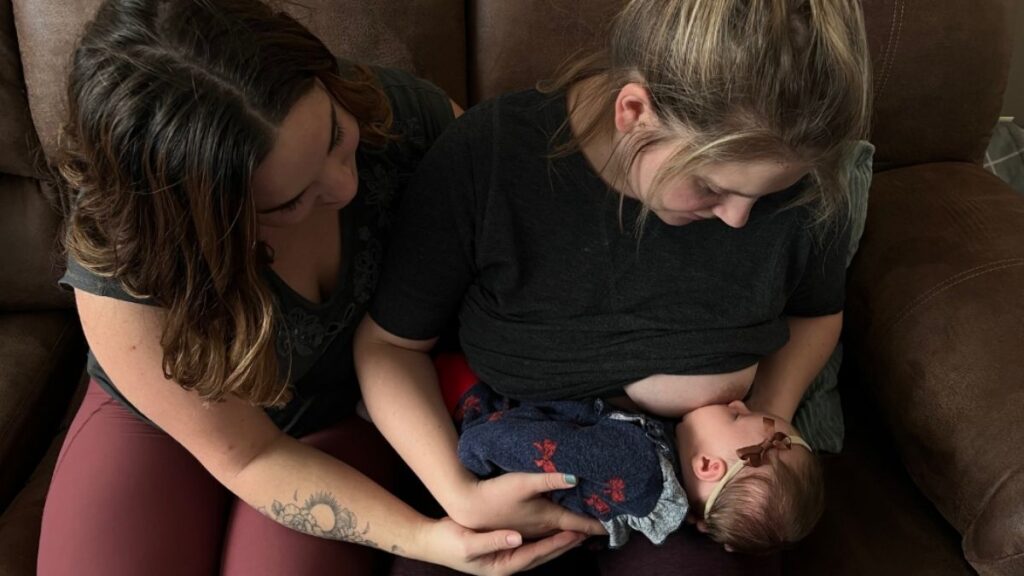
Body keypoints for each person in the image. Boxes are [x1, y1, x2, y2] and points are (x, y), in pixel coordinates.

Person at [37, 1, 599, 575]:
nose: (343, 186)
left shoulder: (399, 119)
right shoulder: (126, 255)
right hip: (172, 410)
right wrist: (429, 539)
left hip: (347, 410)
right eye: (288, 201)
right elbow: (248, 456)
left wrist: (433, 534)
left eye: (335, 136)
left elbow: (522, 247)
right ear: (198, 223)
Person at [354, 0, 871, 573]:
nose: (739, 222)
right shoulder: (491, 158)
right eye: (710, 187)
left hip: (683, 510)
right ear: (634, 112)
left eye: (768, 194)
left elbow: (816, 314)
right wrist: (460, 496)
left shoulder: (809, 188)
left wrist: (754, 449)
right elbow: (390, 347)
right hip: (500, 482)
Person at [436, 356, 820, 553]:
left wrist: (475, 448)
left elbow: (541, 447)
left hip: (483, 413)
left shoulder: (635, 462)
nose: (738, 402)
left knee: (451, 368)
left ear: (707, 465)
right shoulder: (666, 483)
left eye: (738, 416)